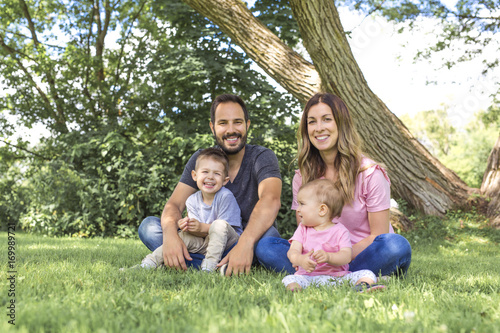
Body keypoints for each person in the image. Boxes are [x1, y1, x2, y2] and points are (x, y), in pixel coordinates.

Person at [138, 94, 294, 276]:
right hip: (207, 242)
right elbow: (174, 204)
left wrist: (245, 244)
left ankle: (202, 261)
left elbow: (271, 200)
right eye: (223, 123)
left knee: (266, 246)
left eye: (237, 122)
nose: (231, 130)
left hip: (252, 239)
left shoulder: (262, 157)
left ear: (247, 125)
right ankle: (221, 265)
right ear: (212, 127)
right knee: (149, 227)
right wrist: (172, 237)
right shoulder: (202, 159)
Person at [259, 92, 412, 278]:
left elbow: (377, 236)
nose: (319, 128)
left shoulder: (370, 174)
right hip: (316, 259)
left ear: (341, 124)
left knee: (396, 246)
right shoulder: (303, 176)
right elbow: (305, 228)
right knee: (266, 246)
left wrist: (335, 258)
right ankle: (346, 277)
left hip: (362, 255)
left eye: (326, 119)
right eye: (312, 122)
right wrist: (306, 258)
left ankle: (340, 275)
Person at [130, 148, 242, 272]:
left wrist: (200, 227)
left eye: (217, 174)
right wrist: (186, 226)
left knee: (219, 225)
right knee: (181, 237)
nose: (210, 177)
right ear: (194, 175)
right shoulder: (192, 200)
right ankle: (148, 264)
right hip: (205, 243)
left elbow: (224, 231)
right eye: (205, 172)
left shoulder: (225, 196)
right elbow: (196, 234)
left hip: (229, 245)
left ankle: (208, 268)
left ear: (225, 180)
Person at [283, 179, 385, 292]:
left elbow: (346, 256)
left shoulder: (340, 231)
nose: (298, 209)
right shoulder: (302, 230)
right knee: (290, 279)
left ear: (322, 210)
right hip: (308, 277)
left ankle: (361, 287)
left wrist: (328, 257)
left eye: (302, 204)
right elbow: (292, 252)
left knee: (367, 273)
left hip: (339, 278)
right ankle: (296, 291)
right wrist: (300, 259)